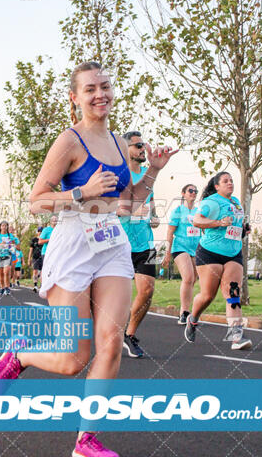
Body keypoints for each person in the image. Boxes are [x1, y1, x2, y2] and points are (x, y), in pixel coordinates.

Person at [0, 61, 176, 457]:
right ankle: (20, 354)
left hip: (111, 244)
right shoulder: (69, 141)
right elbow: (37, 200)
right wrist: (80, 192)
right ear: (75, 98)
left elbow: (126, 205)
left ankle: (85, 440)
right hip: (74, 244)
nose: (100, 94)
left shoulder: (122, 146)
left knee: (110, 340)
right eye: (90, 89)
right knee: (75, 358)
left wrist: (153, 172)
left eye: (105, 86)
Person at [184, 172, 252, 350]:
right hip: (209, 253)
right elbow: (197, 221)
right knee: (208, 296)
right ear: (217, 186)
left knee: (233, 293)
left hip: (233, 253)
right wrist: (219, 222)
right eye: (225, 181)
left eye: (231, 181)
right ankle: (193, 319)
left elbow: (235, 226)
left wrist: (243, 230)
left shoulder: (236, 202)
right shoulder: (211, 202)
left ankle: (236, 335)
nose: (230, 183)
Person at [120, 131, 160, 358]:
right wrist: (124, 210)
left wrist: (154, 217)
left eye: (143, 145)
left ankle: (130, 334)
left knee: (148, 290)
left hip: (145, 243)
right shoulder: (119, 175)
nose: (142, 149)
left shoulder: (148, 174)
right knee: (119, 296)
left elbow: (151, 203)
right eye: (137, 146)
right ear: (126, 150)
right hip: (119, 243)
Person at [162, 184, 200, 325]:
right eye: (190, 190)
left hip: (195, 249)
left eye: (195, 191)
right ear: (183, 193)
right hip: (180, 248)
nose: (193, 193)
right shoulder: (178, 211)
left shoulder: (199, 211)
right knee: (188, 277)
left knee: (193, 279)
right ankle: (183, 313)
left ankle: (188, 310)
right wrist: (167, 253)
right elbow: (170, 233)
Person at [0, 221, 14, 296]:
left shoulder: (10, 235)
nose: (4, 227)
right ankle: (2, 288)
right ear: (0, 227)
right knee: (0, 273)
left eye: (5, 226)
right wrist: (0, 244)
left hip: (7, 255)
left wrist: (9, 246)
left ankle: (7, 288)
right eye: (2, 225)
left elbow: (13, 245)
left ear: (7, 227)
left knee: (6, 272)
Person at [28, 226, 44, 293]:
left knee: (42, 272)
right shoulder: (34, 240)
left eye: (41, 232)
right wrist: (29, 258)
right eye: (39, 231)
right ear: (37, 232)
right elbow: (31, 250)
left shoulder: (44, 240)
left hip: (43, 257)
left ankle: (42, 285)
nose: (40, 233)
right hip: (35, 257)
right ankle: (35, 285)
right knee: (35, 271)